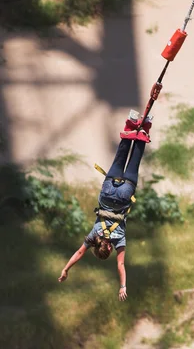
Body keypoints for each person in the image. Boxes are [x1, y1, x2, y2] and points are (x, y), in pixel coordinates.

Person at [58, 111, 152, 302]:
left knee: (134, 162)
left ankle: (146, 127)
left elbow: (121, 266)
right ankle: (132, 122)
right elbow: (78, 253)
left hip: (125, 195)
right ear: (98, 247)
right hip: (108, 192)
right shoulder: (93, 236)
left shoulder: (118, 243)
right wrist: (65, 269)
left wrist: (123, 286)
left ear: (109, 250)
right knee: (120, 156)